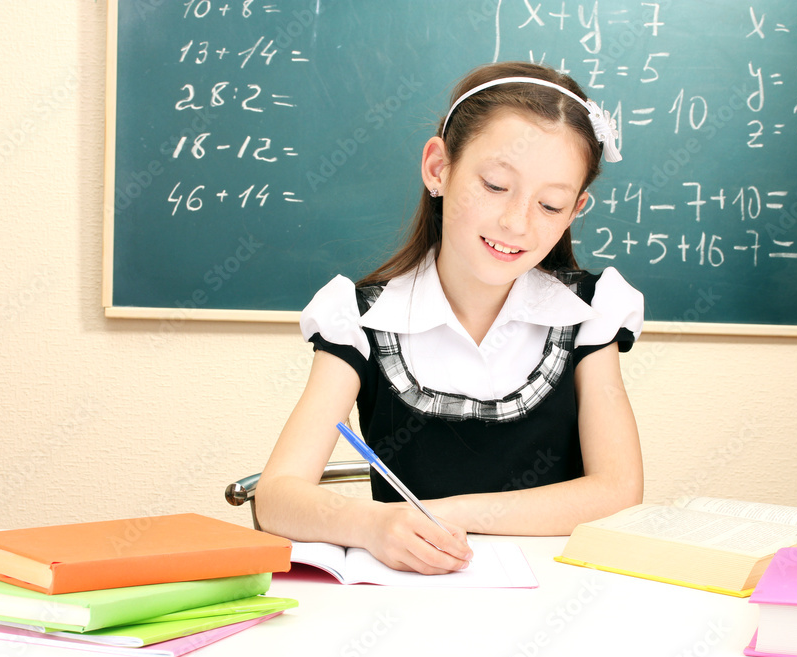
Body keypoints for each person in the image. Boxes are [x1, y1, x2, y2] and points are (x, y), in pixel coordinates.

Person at [255, 61, 644, 575]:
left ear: (576, 210)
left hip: (554, 604)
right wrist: (372, 525)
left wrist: (441, 515)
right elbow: (276, 498)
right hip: (404, 604)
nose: (517, 222)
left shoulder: (589, 313)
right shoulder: (362, 318)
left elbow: (619, 493)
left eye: (550, 205)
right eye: (495, 185)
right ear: (439, 168)